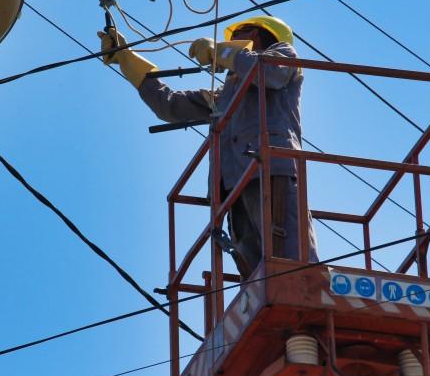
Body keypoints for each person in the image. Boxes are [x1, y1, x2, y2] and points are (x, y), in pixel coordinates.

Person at [98, 16, 318, 278]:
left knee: (292, 262)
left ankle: (310, 290)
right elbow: (169, 105)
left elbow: (270, 74)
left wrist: (220, 51)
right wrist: (126, 58)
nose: (228, 41)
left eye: (236, 34)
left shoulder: (282, 56)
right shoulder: (223, 96)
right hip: (231, 189)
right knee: (256, 275)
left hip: (270, 173)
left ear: (256, 36)